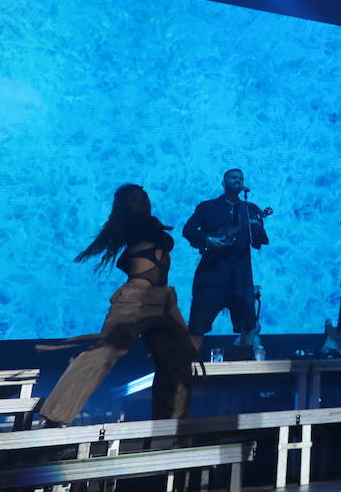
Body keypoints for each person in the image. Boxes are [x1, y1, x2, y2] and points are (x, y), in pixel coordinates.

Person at [36, 184, 192, 426]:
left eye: (144, 197)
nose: (143, 201)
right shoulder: (134, 225)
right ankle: (55, 417)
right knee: (103, 356)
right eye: (135, 198)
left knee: (178, 361)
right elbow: (152, 238)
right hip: (136, 299)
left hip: (164, 301)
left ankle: (169, 429)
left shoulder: (149, 226)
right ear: (124, 206)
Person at [183, 168, 269, 355]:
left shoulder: (251, 209)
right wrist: (208, 240)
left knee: (248, 325)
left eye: (240, 178)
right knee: (197, 326)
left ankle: (246, 364)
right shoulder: (207, 207)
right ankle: (185, 368)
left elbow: (258, 242)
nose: (237, 180)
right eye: (233, 177)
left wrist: (257, 226)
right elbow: (188, 230)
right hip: (212, 275)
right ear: (223, 182)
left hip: (241, 277)